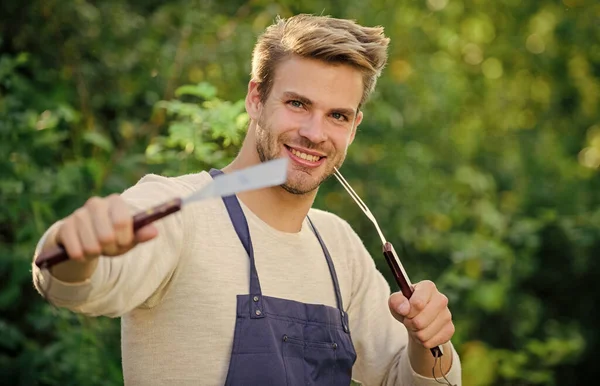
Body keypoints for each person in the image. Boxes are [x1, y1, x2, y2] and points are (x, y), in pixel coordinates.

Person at [32, 14, 462, 386]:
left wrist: (428, 342)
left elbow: (405, 378)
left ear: (354, 127)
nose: (315, 132)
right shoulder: (181, 207)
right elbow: (74, 285)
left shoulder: (338, 245)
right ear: (256, 98)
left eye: (337, 115)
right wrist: (73, 245)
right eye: (297, 103)